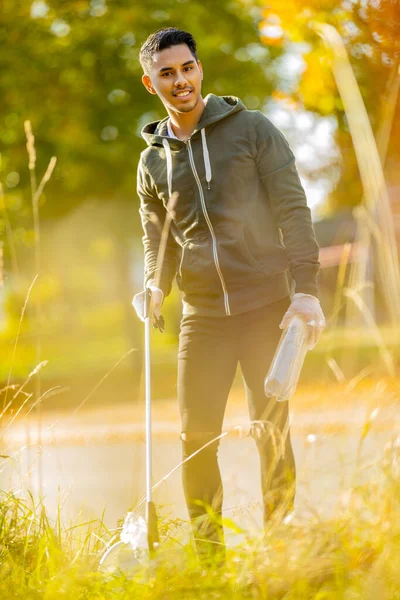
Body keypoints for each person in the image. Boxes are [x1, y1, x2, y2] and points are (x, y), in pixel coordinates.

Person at [133, 27, 325, 561]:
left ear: (199, 68)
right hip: (203, 316)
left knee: (271, 431)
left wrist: (305, 290)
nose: (181, 81)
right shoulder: (153, 161)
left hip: (267, 306)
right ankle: (210, 565)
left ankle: (283, 549)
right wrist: (154, 284)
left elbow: (293, 209)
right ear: (151, 84)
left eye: (187, 68)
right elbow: (159, 242)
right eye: (166, 73)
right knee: (194, 438)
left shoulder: (252, 130)